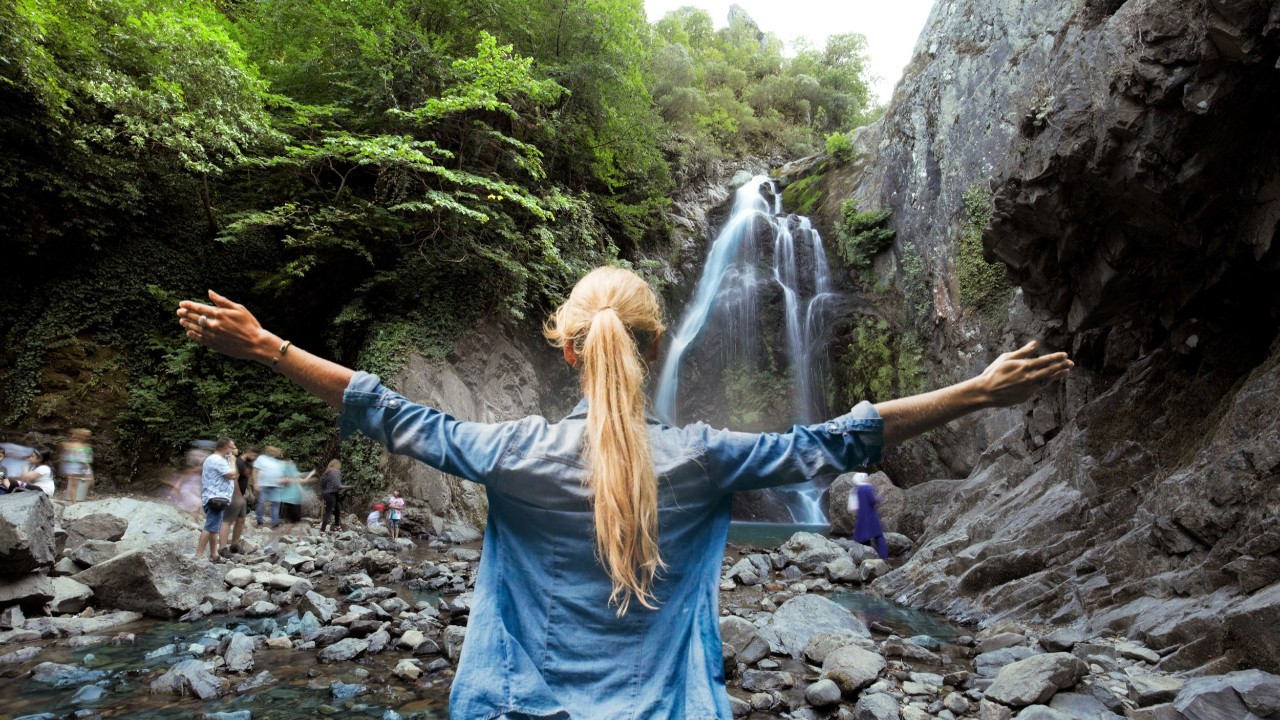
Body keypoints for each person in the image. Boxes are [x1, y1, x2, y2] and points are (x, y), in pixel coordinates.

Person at [177, 267, 1072, 719]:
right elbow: (836, 441)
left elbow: (390, 411)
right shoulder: (706, 458)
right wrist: (979, 391)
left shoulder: (508, 451)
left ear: (568, 350)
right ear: (647, 349)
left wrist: (265, 346)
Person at [197, 437, 237, 562]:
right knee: (209, 526)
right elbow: (232, 474)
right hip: (215, 497)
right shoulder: (217, 460)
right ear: (225, 448)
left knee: (214, 528)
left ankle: (214, 554)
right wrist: (233, 462)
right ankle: (199, 554)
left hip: (215, 497)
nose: (233, 450)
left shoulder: (215, 459)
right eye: (232, 447)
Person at [263, 453, 312, 554]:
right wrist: (285, 480)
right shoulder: (282, 467)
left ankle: (297, 540)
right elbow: (277, 479)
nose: (291, 461)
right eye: (289, 460)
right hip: (290, 499)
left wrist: (303, 483)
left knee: (295, 520)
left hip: (295, 499)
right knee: (292, 521)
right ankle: (273, 542)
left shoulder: (292, 468)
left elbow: (298, 480)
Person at [219, 445, 257, 555]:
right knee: (227, 521)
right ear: (248, 452)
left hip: (242, 496)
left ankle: (234, 546)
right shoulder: (238, 462)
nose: (254, 458)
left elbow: (245, 479)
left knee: (241, 519)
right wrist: (237, 495)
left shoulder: (247, 464)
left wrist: (249, 493)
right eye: (254, 455)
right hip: (233, 495)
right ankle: (222, 548)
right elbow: (234, 479)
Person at [847, 472, 888, 559]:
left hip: (861, 518)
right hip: (870, 517)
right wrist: (879, 496)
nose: (867, 478)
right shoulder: (866, 488)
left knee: (864, 539)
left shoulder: (856, 490)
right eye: (865, 477)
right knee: (879, 536)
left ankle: (865, 558)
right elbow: (872, 501)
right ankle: (883, 557)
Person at [252, 445, 285, 528]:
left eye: (274, 451)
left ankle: (275, 523)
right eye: (271, 451)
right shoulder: (261, 458)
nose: (273, 452)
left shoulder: (278, 462)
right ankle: (259, 521)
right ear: (268, 451)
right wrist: (255, 483)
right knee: (261, 503)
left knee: (276, 504)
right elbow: (255, 471)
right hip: (263, 485)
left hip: (276, 486)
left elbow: (281, 475)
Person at [59, 428, 94, 504]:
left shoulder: (83, 446)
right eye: (87, 436)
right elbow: (84, 460)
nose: (88, 438)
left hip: (77, 467)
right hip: (74, 468)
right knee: (74, 485)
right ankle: (74, 503)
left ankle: (72, 500)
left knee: (74, 485)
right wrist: (89, 473)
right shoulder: (78, 446)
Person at [318, 459, 344, 532]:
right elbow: (337, 485)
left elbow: (321, 485)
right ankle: (322, 530)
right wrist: (349, 487)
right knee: (329, 512)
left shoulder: (326, 473)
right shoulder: (336, 472)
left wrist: (321, 494)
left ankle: (337, 525)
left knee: (337, 509)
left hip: (328, 494)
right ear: (336, 465)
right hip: (331, 494)